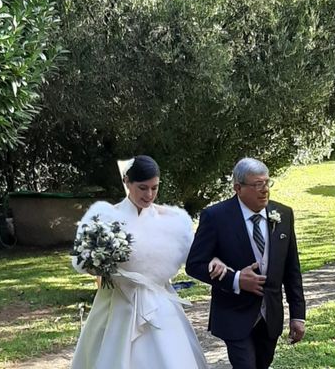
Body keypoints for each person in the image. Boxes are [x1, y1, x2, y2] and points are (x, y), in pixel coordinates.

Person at [71, 155, 226, 369]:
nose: (149, 195)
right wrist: (99, 261)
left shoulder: (173, 221)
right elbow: (83, 263)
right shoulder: (104, 218)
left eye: (154, 188)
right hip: (116, 304)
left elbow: (197, 255)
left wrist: (215, 259)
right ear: (127, 182)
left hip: (159, 304)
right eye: (143, 188)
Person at [186, 157, 306, 369]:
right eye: (257, 184)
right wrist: (236, 279)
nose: (265, 190)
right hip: (234, 313)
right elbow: (195, 264)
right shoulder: (215, 217)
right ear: (238, 188)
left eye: (267, 183)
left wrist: (298, 315)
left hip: (270, 314)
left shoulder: (283, 214)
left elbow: (291, 269)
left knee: (262, 364)